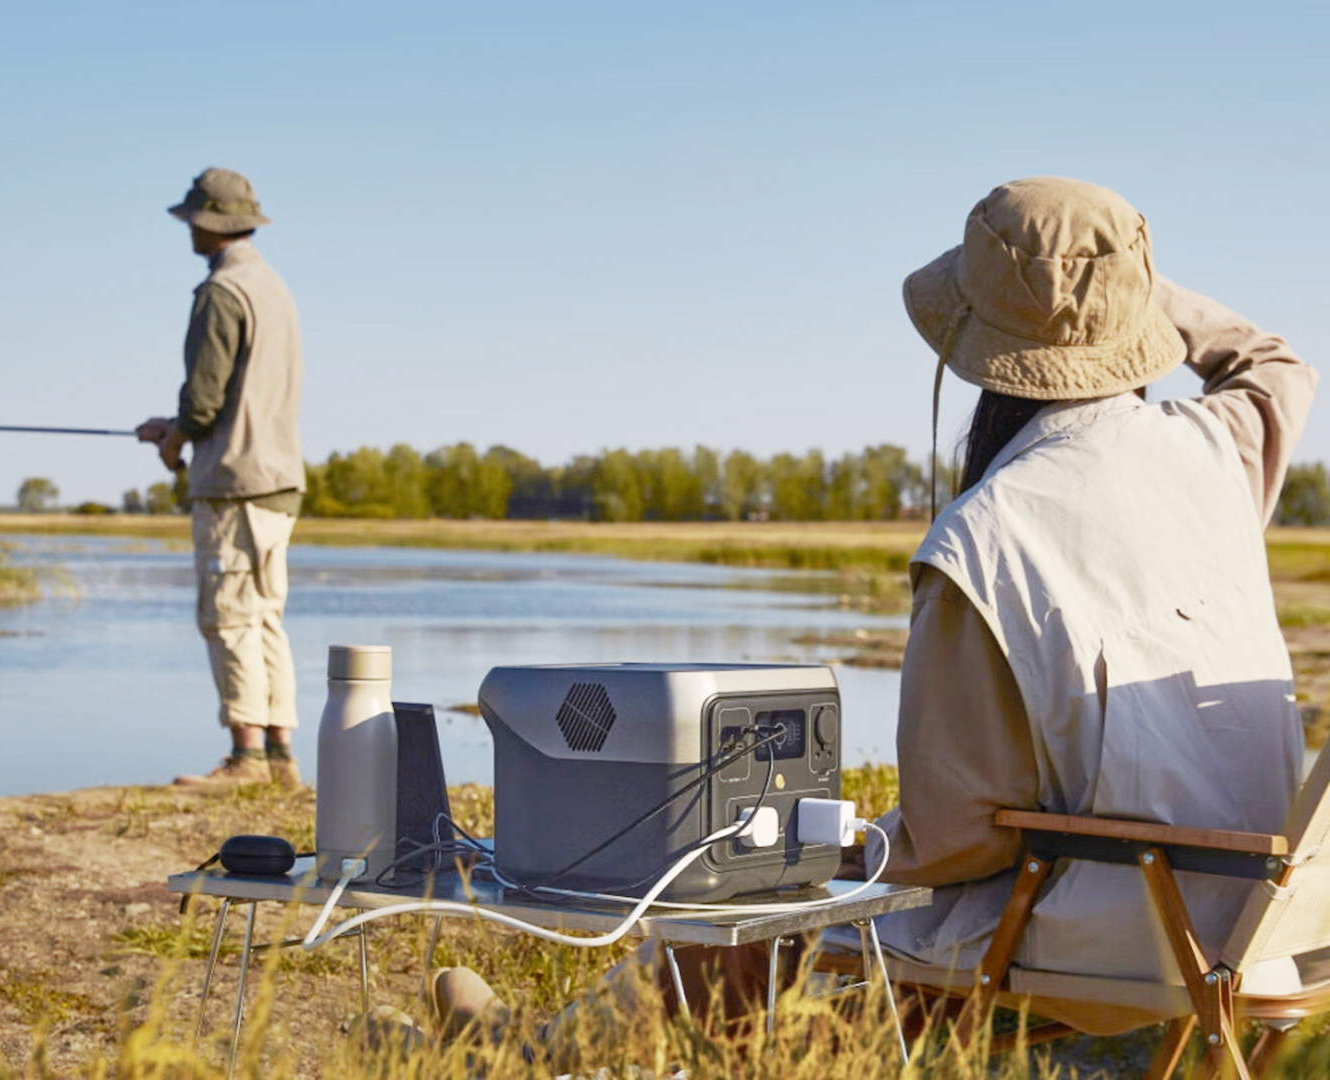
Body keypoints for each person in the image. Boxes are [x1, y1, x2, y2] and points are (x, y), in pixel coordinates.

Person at [413, 176, 1316, 1055]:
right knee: (795, 883)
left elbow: (957, 838)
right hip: (1251, 925)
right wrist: (1115, 290)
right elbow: (1273, 364)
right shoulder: (1213, 450)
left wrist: (840, 850)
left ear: (979, 349)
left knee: (755, 899)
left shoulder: (989, 534)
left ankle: (536, 1058)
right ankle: (547, 1048)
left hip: (1113, 930)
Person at [138, 168, 306, 789]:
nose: (189, 231)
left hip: (235, 482)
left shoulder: (220, 293)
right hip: (279, 481)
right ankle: (280, 758)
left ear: (211, 223)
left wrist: (174, 435)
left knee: (231, 613)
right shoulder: (276, 289)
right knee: (264, 617)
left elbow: (205, 403)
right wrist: (178, 426)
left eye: (193, 221)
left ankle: (245, 759)